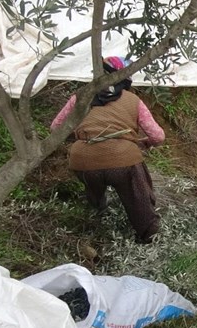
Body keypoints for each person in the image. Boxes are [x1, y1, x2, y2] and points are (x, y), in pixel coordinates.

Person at [50, 56, 164, 244]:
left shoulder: (79, 96)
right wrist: (146, 142)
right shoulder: (133, 100)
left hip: (83, 160)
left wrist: (82, 137)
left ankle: (96, 221)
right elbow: (158, 136)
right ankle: (149, 235)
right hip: (123, 160)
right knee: (138, 197)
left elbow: (56, 128)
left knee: (93, 189)